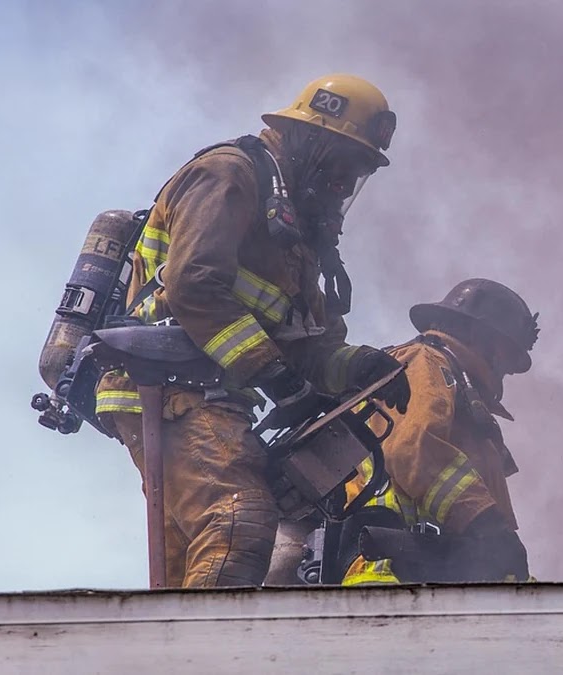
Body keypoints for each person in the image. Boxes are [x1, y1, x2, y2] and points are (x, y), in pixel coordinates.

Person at [94, 73, 411, 587]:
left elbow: (307, 346)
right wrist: (278, 379)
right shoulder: (230, 175)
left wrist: (361, 366)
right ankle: (215, 656)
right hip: (161, 385)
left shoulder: (296, 236)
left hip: (213, 398)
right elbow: (193, 285)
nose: (346, 183)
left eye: (360, 171)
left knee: (190, 561)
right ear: (310, 138)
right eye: (343, 163)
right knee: (239, 521)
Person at [331, 278, 540, 585]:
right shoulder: (424, 363)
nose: (505, 369)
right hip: (387, 572)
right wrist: (485, 520)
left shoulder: (465, 400)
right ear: (477, 334)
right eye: (505, 353)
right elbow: (413, 449)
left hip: (432, 575)